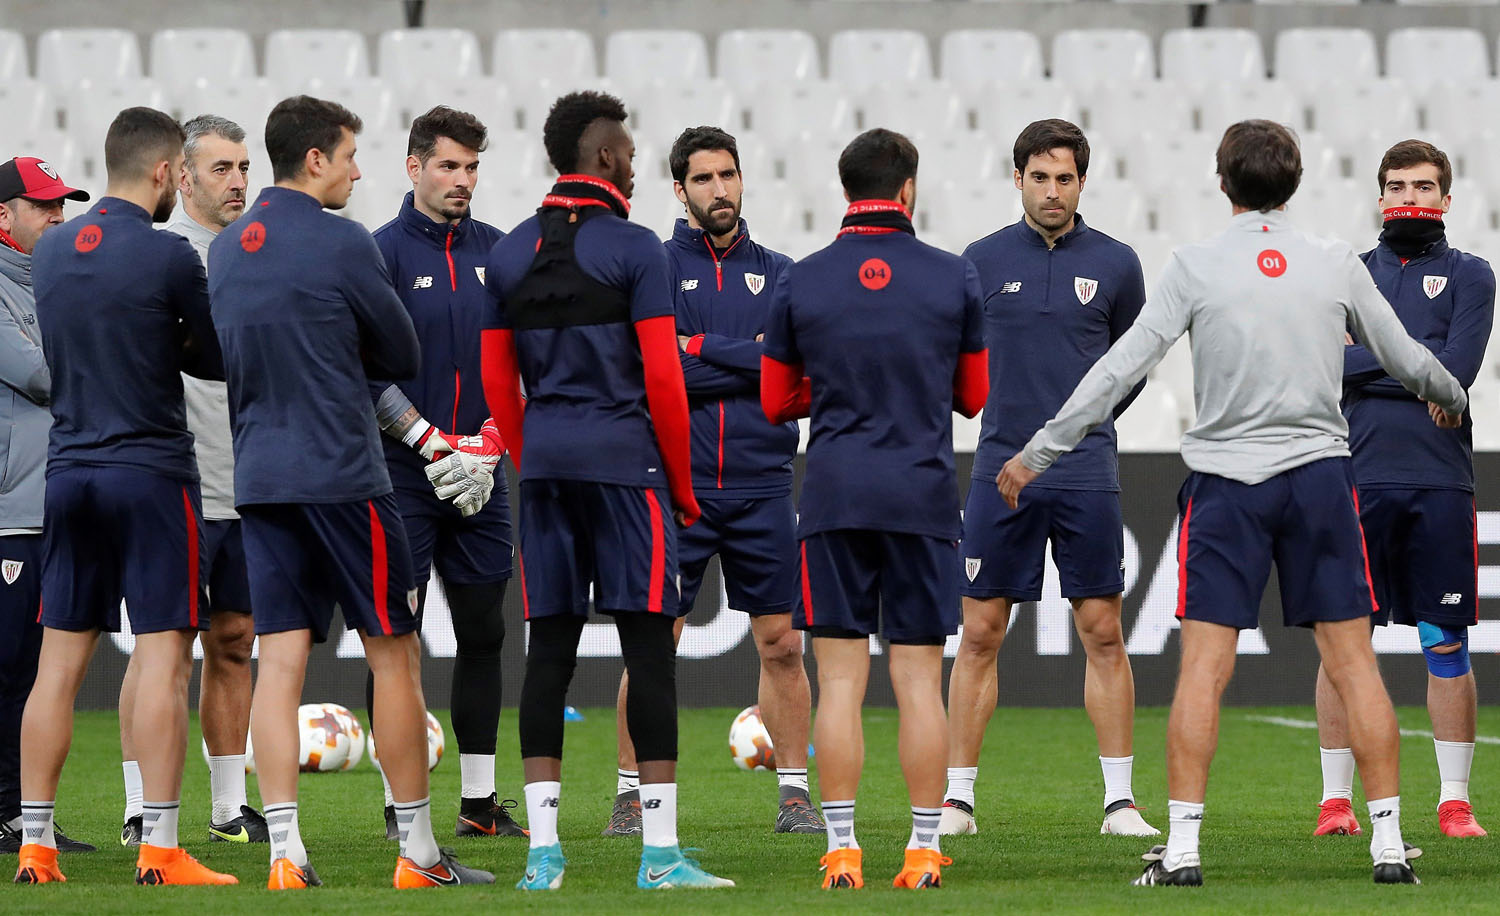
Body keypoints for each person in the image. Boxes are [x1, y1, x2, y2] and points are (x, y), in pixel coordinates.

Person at [996, 119, 1468, 887]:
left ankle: (1182, 850)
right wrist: (1450, 396)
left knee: (1204, 670)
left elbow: (1118, 369)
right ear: (1297, 180)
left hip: (1227, 488)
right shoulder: (1332, 262)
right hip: (1319, 480)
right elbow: (1409, 357)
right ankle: (1387, 845)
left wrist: (1039, 451)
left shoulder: (1195, 265)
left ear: (1223, 183)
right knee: (1354, 663)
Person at [208, 95, 492, 890]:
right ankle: (419, 854)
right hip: (342, 477)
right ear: (315, 160)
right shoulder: (341, 242)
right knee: (395, 655)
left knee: (280, 662)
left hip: (260, 478)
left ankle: (285, 856)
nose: (359, 171)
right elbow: (399, 349)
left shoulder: (226, 249)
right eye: (349, 155)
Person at [480, 90, 732, 891]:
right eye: (625, 149)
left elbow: (496, 385)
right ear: (606, 159)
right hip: (631, 470)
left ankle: (542, 857)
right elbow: (664, 377)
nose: (631, 159)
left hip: (547, 470)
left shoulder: (510, 252)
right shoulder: (637, 250)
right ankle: (660, 857)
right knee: (648, 653)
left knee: (547, 655)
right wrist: (684, 488)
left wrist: (534, 458)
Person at [761, 128, 988, 890]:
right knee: (921, 680)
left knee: (842, 682)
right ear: (908, 189)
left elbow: (772, 400)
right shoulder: (955, 276)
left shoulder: (802, 279)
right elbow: (973, 396)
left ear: (845, 187)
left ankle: (843, 850)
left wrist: (828, 389)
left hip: (833, 493)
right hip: (920, 494)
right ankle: (923, 850)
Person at [17, 107, 234, 886]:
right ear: (164, 171)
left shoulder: (48, 255)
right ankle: (161, 848)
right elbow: (213, 360)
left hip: (69, 472)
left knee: (57, 667)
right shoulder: (169, 255)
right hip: (150, 473)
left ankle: (35, 846)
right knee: (165, 656)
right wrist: (168, 335)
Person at [604, 125, 821, 838]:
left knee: (783, 644)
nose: (719, 190)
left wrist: (696, 348)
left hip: (762, 485)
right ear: (679, 189)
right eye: (703, 179)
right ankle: (631, 794)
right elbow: (650, 374)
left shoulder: (785, 273)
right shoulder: (653, 267)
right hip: (675, 488)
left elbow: (797, 381)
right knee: (652, 645)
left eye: (728, 175)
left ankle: (794, 795)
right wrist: (747, 359)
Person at [942, 119, 1156, 838]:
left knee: (1102, 630)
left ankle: (1120, 803)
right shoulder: (977, 260)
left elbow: (1130, 368)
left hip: (1087, 470)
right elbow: (963, 365)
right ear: (1018, 180)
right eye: (1040, 177)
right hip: (998, 465)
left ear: (1082, 182)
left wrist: (1084, 430)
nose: (1053, 191)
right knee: (980, 631)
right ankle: (958, 801)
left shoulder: (1120, 263)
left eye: (1065, 178)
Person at [1312, 139, 1495, 839]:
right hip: (1353, 476)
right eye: (1398, 187)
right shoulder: (1347, 273)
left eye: (1424, 188)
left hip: (1440, 481)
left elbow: (1461, 369)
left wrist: (1376, 363)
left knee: (1444, 639)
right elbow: (1330, 362)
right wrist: (1424, 374)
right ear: (1379, 197)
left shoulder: (1473, 275)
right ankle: (1336, 804)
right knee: (1342, 641)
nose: (1410, 199)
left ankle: (1454, 801)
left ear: (1446, 200)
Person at [370, 104, 524, 841]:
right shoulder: (379, 254)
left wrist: (490, 444)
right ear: (413, 167)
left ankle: (479, 804)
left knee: (484, 633)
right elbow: (360, 370)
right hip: (402, 474)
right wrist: (432, 441)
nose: (462, 180)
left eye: (471, 168)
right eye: (448, 166)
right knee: (395, 639)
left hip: (484, 475)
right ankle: (403, 812)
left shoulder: (505, 252)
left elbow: (523, 365)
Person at [117, 114, 266, 849]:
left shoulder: (257, 251)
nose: (238, 181)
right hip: (176, 478)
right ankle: (138, 804)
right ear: (181, 176)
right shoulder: (159, 257)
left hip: (249, 480)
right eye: (221, 169)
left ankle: (227, 806)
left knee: (235, 640)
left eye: (244, 168)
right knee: (162, 647)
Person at [0, 156, 95, 857]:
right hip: (9, 510)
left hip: (55, 505)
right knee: (7, 668)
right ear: (4, 216)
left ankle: (26, 820)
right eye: (44, 205)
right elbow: (40, 375)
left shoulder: (53, 286)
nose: (59, 216)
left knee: (36, 672)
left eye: (63, 204)